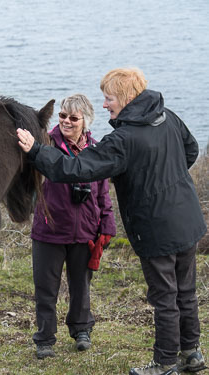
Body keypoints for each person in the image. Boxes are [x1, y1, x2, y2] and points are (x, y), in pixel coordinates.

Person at [17, 68, 207, 375]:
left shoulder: (124, 139)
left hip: (156, 227)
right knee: (185, 291)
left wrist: (36, 151)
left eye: (109, 98)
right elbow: (191, 150)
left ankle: (164, 362)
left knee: (165, 296)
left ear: (128, 98)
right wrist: (166, 182)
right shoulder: (168, 116)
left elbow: (76, 168)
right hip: (186, 217)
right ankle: (192, 353)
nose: (105, 105)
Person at [27, 94, 116, 359]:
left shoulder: (96, 149)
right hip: (49, 231)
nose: (66, 121)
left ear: (85, 121)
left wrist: (107, 227)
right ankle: (44, 339)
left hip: (85, 233)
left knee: (81, 287)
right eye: (63, 116)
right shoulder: (44, 145)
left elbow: (103, 195)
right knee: (46, 288)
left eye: (73, 118)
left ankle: (81, 330)